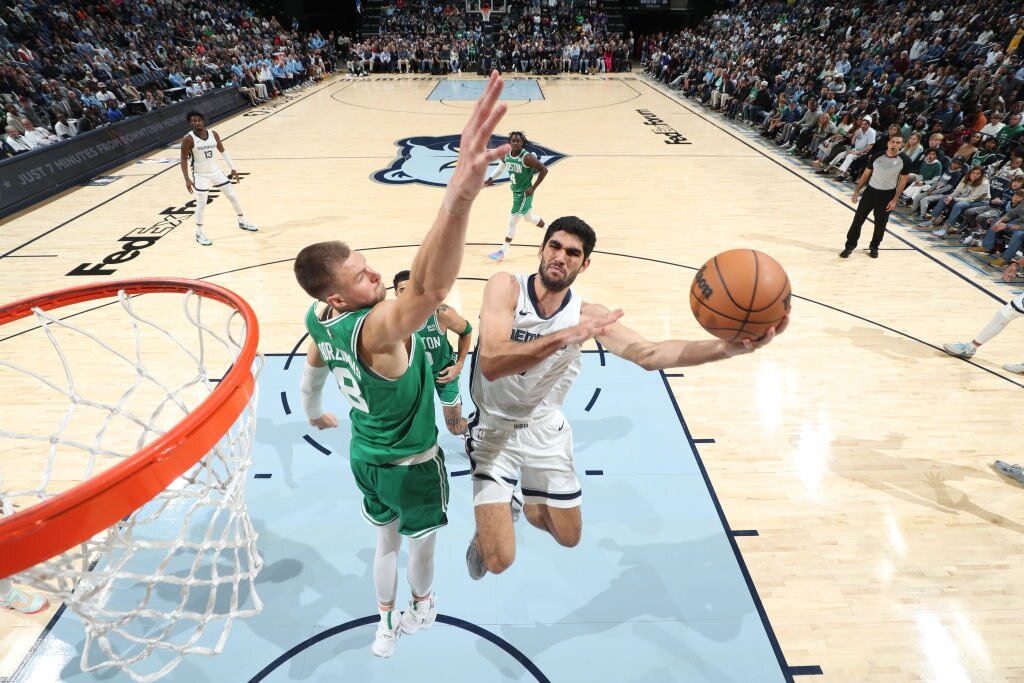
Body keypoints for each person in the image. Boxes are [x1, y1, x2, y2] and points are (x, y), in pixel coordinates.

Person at [293, 73, 509, 658]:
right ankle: (423, 606)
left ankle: (383, 622)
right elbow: (431, 290)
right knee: (420, 548)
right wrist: (457, 200)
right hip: (413, 463)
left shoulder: (321, 318)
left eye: (366, 266)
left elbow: (312, 367)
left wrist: (314, 413)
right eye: (361, 276)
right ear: (340, 297)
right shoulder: (377, 329)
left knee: (382, 545)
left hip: (365, 457)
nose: (373, 275)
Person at [464, 216, 786, 580]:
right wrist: (567, 335)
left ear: (584, 265)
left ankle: (517, 499)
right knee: (497, 561)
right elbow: (491, 362)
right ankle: (501, 508)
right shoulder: (505, 287)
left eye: (573, 253)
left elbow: (649, 354)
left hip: (546, 430)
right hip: (495, 431)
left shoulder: (589, 315)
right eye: (555, 246)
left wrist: (726, 349)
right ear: (541, 249)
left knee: (568, 537)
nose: (560, 256)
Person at [393, 270, 472, 435]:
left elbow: (466, 331)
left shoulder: (440, 313)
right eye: (402, 290)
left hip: (444, 373)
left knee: (455, 427)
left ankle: (475, 427)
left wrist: (459, 365)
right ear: (396, 294)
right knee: (413, 426)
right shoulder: (390, 320)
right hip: (414, 377)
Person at [179, 111, 257, 246]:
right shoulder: (188, 139)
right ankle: (199, 232)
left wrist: (233, 167)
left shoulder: (213, 134)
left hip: (215, 171)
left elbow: (223, 150)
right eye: (193, 121)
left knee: (232, 195)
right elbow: (183, 160)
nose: (196, 123)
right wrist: (186, 178)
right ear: (190, 123)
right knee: (202, 203)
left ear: (203, 121)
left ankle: (242, 220)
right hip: (200, 174)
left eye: (198, 120)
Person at [840, 134, 912, 259]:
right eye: (893, 142)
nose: (895, 144)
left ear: (902, 145)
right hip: (870, 192)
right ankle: (849, 246)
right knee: (857, 221)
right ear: (888, 143)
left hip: (887, 195)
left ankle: (874, 247)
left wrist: (894, 200)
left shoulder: (905, 160)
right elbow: (866, 174)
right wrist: (857, 191)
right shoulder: (876, 156)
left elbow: (903, 181)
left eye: (898, 142)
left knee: (880, 224)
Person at [484, 131, 547, 261]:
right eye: (513, 141)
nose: (516, 143)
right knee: (528, 218)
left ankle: (503, 251)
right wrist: (490, 178)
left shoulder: (526, 157)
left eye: (518, 141)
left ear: (522, 142)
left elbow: (544, 170)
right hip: (516, 192)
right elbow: (501, 167)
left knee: (512, 221)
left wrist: (533, 188)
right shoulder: (507, 155)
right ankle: (550, 229)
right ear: (510, 142)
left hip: (524, 194)